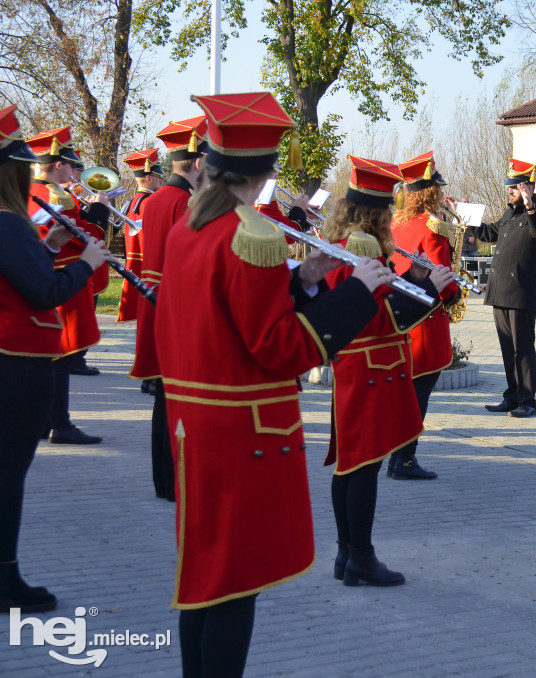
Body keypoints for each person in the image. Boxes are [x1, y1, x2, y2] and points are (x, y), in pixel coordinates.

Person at [155, 91, 391, 678]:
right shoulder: (253, 235)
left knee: (203, 578)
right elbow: (280, 350)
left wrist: (306, 279)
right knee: (235, 585)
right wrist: (357, 292)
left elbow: (228, 318)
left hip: (195, 424)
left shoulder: (191, 226)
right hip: (242, 434)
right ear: (267, 170)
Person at [0, 106, 113, 613]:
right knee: (8, 473)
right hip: (17, 363)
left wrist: (49, 242)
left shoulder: (12, 224)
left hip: (15, 358)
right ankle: (5, 579)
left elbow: (21, 279)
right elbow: (44, 293)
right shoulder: (6, 222)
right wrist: (87, 265)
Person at [322, 155, 455, 586]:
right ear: (378, 210)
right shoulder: (362, 245)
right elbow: (378, 317)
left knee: (350, 465)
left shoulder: (345, 241)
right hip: (370, 366)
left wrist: (413, 276)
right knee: (363, 467)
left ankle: (347, 555)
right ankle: (360, 555)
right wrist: (425, 289)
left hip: (354, 366)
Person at [131, 115, 207, 500]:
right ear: (197, 163)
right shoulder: (188, 203)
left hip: (153, 300)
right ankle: (176, 481)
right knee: (178, 397)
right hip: (178, 305)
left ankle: (164, 479)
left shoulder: (156, 199)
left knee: (163, 396)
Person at [26, 127, 110, 444]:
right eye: (70, 164)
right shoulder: (57, 196)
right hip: (65, 279)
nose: (74, 171)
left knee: (56, 355)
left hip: (43, 274)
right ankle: (59, 423)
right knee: (63, 355)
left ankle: (49, 419)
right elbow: (87, 235)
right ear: (58, 164)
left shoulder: (26, 189)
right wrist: (99, 208)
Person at [389, 150, 461, 479]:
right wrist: (455, 294)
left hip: (399, 318)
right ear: (431, 192)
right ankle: (404, 459)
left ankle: (395, 456)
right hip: (426, 322)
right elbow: (442, 275)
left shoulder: (394, 223)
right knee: (419, 395)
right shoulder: (434, 227)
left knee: (404, 393)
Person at [471, 158, 536, 418]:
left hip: (521, 293)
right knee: (508, 348)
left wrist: (530, 207)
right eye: (509, 187)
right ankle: (512, 395)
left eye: (514, 187)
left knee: (523, 350)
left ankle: (528, 400)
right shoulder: (509, 213)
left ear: (527, 188)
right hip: (500, 291)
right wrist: (464, 214)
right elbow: (487, 233)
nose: (509, 191)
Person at [117, 148, 163, 325]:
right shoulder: (152, 201)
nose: (161, 179)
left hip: (135, 261)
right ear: (149, 178)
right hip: (150, 264)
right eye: (158, 176)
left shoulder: (133, 200)